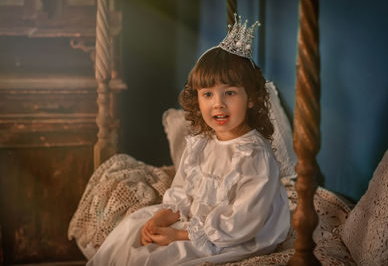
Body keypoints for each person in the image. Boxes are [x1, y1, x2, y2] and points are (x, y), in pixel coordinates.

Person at [87, 15, 290, 266]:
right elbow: (184, 191)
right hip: (198, 224)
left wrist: (180, 236)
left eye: (230, 92)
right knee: (131, 230)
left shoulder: (254, 154)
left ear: (250, 98)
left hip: (235, 235)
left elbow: (243, 222)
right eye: (208, 94)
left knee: (160, 257)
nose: (218, 103)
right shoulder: (202, 142)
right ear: (198, 99)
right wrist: (161, 219)